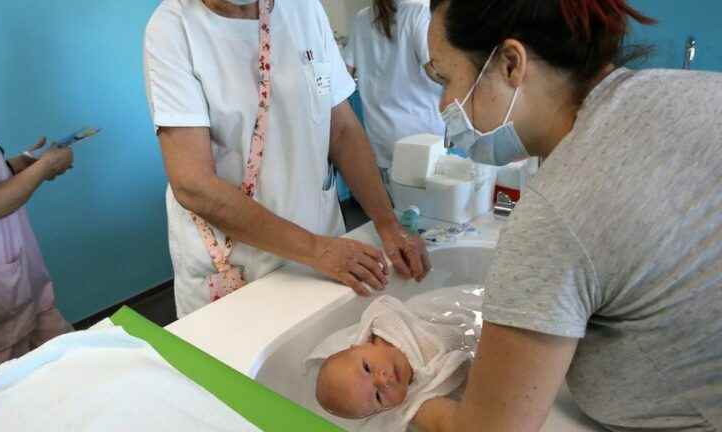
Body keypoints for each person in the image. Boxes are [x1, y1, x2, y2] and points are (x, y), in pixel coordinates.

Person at [423, 0, 722, 430]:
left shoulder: (555, 216)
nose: (443, 104)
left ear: (511, 64)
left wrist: (407, 398)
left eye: (445, 78)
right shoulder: (688, 91)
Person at [143, 0, 430, 318]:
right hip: (238, 267)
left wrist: (387, 223)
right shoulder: (172, 28)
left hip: (326, 255)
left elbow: (343, 130)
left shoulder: (304, 8)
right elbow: (193, 183)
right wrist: (316, 249)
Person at [0, 0, 74, 380]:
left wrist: (25, 162)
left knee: (68, 367)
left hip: (15, 276)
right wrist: (43, 170)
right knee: (12, 404)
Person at [308, 290, 482, 431]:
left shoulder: (384, 322)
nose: (383, 380)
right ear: (385, 410)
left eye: (367, 368)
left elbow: (385, 304)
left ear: (361, 345)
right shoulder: (415, 395)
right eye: (377, 396)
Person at [345, 0, 444, 189]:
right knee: (428, 213)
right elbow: (435, 71)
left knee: (399, 211)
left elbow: (344, 73)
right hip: (421, 140)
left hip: (381, 139)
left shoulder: (362, 18)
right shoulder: (419, 12)